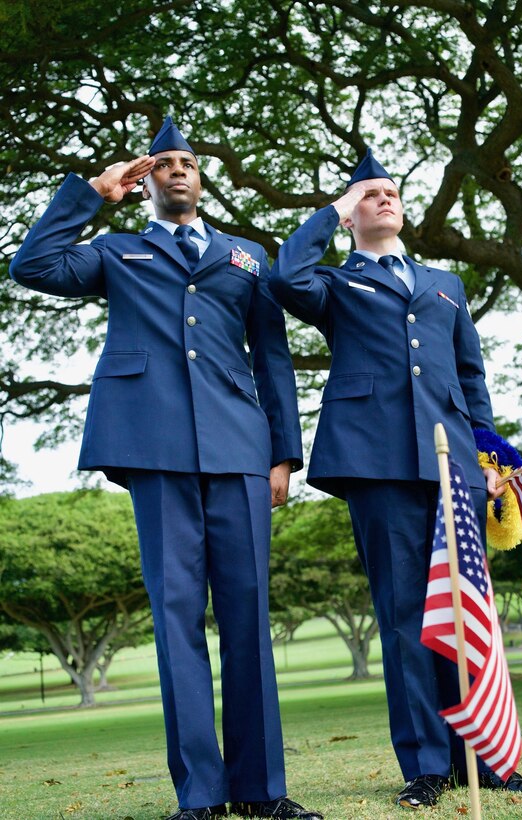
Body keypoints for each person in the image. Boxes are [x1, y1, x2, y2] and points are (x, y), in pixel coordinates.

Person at [9, 117, 323, 820]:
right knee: (176, 619)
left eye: (187, 161)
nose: (178, 169)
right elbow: (31, 265)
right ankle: (201, 796)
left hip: (242, 454)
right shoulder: (117, 252)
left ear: (199, 178)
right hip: (153, 451)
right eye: (165, 163)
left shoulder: (246, 257)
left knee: (247, 619)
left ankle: (261, 791)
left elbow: (270, 358)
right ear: (149, 180)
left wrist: (282, 453)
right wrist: (92, 193)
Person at [269, 150, 522, 809]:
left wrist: (491, 458)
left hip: (455, 464)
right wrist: (334, 211)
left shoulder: (446, 284)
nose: (383, 199)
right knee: (403, 617)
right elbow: (285, 276)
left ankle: (487, 760)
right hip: (374, 463)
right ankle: (426, 765)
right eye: (369, 195)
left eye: (390, 191)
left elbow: (472, 378)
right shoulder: (336, 284)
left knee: (467, 607)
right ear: (352, 213)